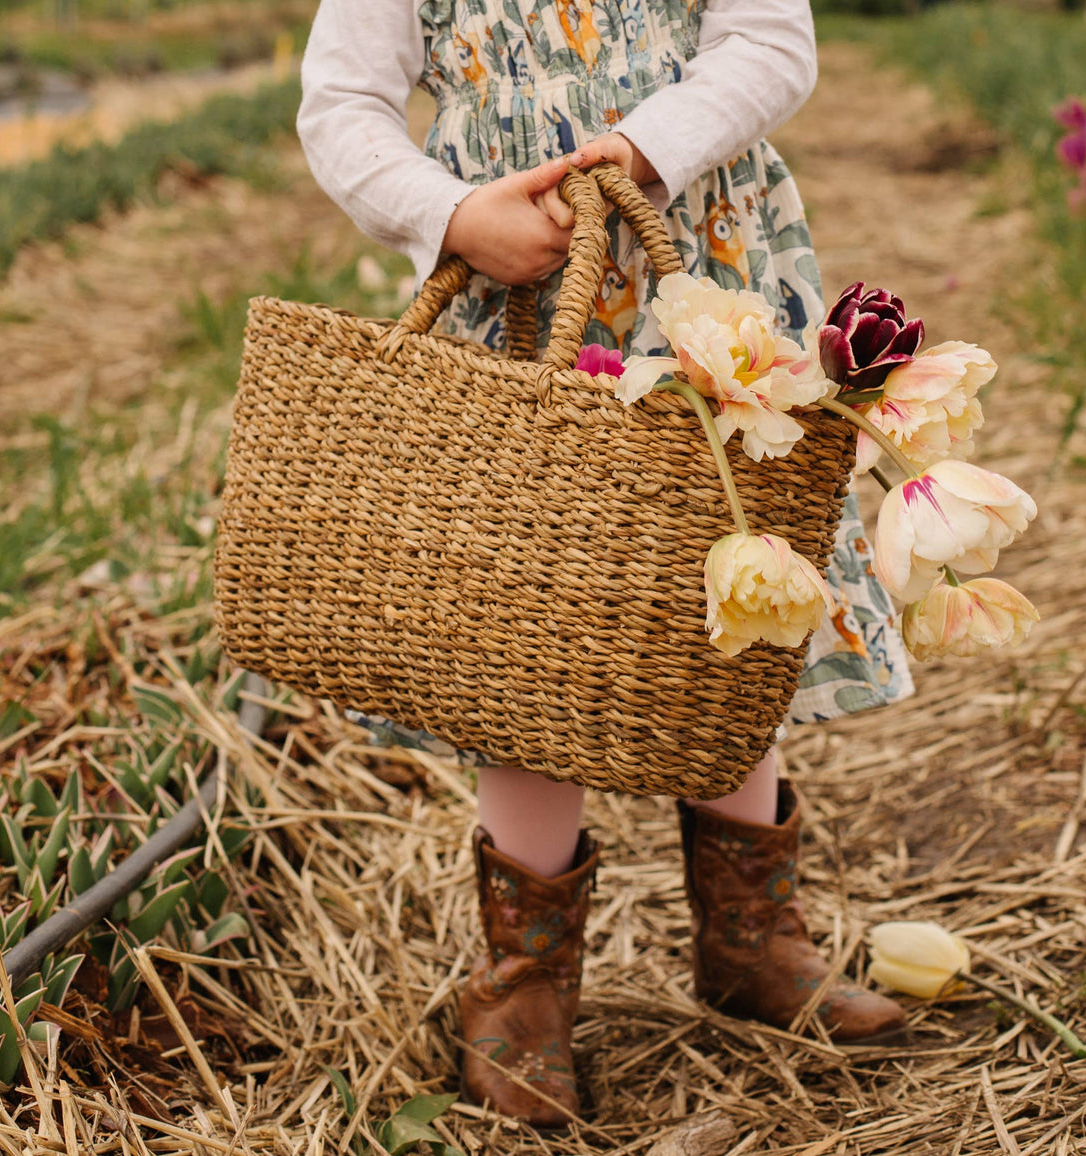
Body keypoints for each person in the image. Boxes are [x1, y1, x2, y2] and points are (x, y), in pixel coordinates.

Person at [297, 0, 916, 1127]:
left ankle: (752, 939)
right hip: (513, 294)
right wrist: (450, 214)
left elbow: (770, 41)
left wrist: (645, 148)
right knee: (528, 625)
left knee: (730, 584)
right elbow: (341, 103)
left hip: (704, 286)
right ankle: (525, 985)